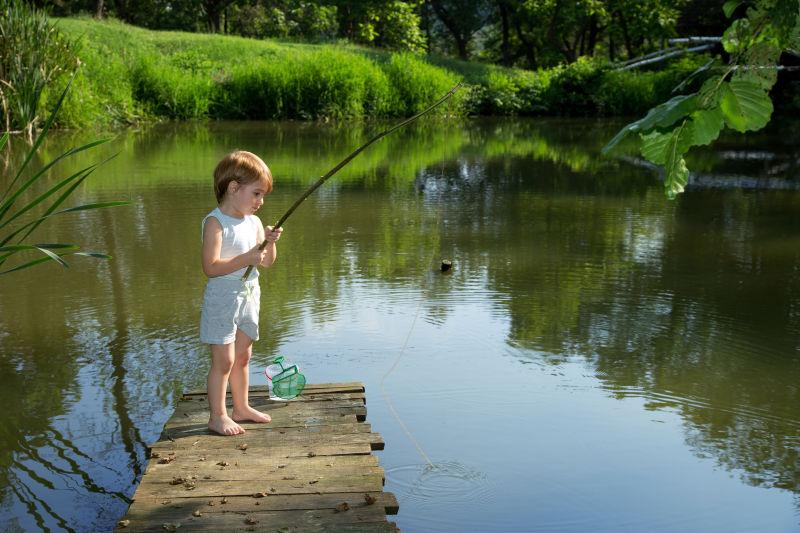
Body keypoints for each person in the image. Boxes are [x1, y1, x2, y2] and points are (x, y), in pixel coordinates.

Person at [199, 150, 283, 436]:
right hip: (223, 299)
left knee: (244, 355)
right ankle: (217, 415)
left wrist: (269, 243)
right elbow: (210, 267)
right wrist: (246, 259)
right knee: (224, 360)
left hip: (249, 295)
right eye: (257, 194)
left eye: (263, 196)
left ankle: (242, 407)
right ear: (234, 188)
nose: (261, 202)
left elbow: (268, 262)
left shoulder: (254, 222)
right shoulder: (216, 222)